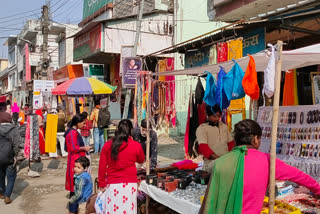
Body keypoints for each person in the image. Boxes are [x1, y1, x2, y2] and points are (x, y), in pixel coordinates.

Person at [200, 119, 320, 214]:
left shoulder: (221, 162)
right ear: (255, 140)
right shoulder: (267, 161)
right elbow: (299, 176)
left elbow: (210, 200)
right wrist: (318, 190)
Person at [98, 119, 145, 214]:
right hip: (129, 184)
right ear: (131, 130)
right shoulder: (136, 145)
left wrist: (102, 183)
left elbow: (102, 165)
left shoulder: (108, 144)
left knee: (113, 210)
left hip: (113, 184)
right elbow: (141, 159)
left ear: (117, 129)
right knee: (128, 210)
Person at [196, 104, 234, 173]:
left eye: (219, 116)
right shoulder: (202, 129)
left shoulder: (224, 126)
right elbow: (204, 148)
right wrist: (221, 159)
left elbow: (231, 144)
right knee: (221, 165)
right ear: (208, 115)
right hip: (212, 163)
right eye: (214, 116)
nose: (217, 118)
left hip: (226, 160)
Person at [64, 114, 91, 194]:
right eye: (83, 123)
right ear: (77, 123)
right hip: (76, 158)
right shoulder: (73, 132)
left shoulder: (71, 131)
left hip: (74, 157)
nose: (84, 125)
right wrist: (84, 148)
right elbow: (74, 148)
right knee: (78, 177)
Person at [0, 115, 22, 204]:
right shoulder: (14, 129)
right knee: (11, 177)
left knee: (0, 176)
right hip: (10, 157)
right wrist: (15, 156)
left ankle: (1, 192)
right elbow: (17, 144)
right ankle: (7, 196)